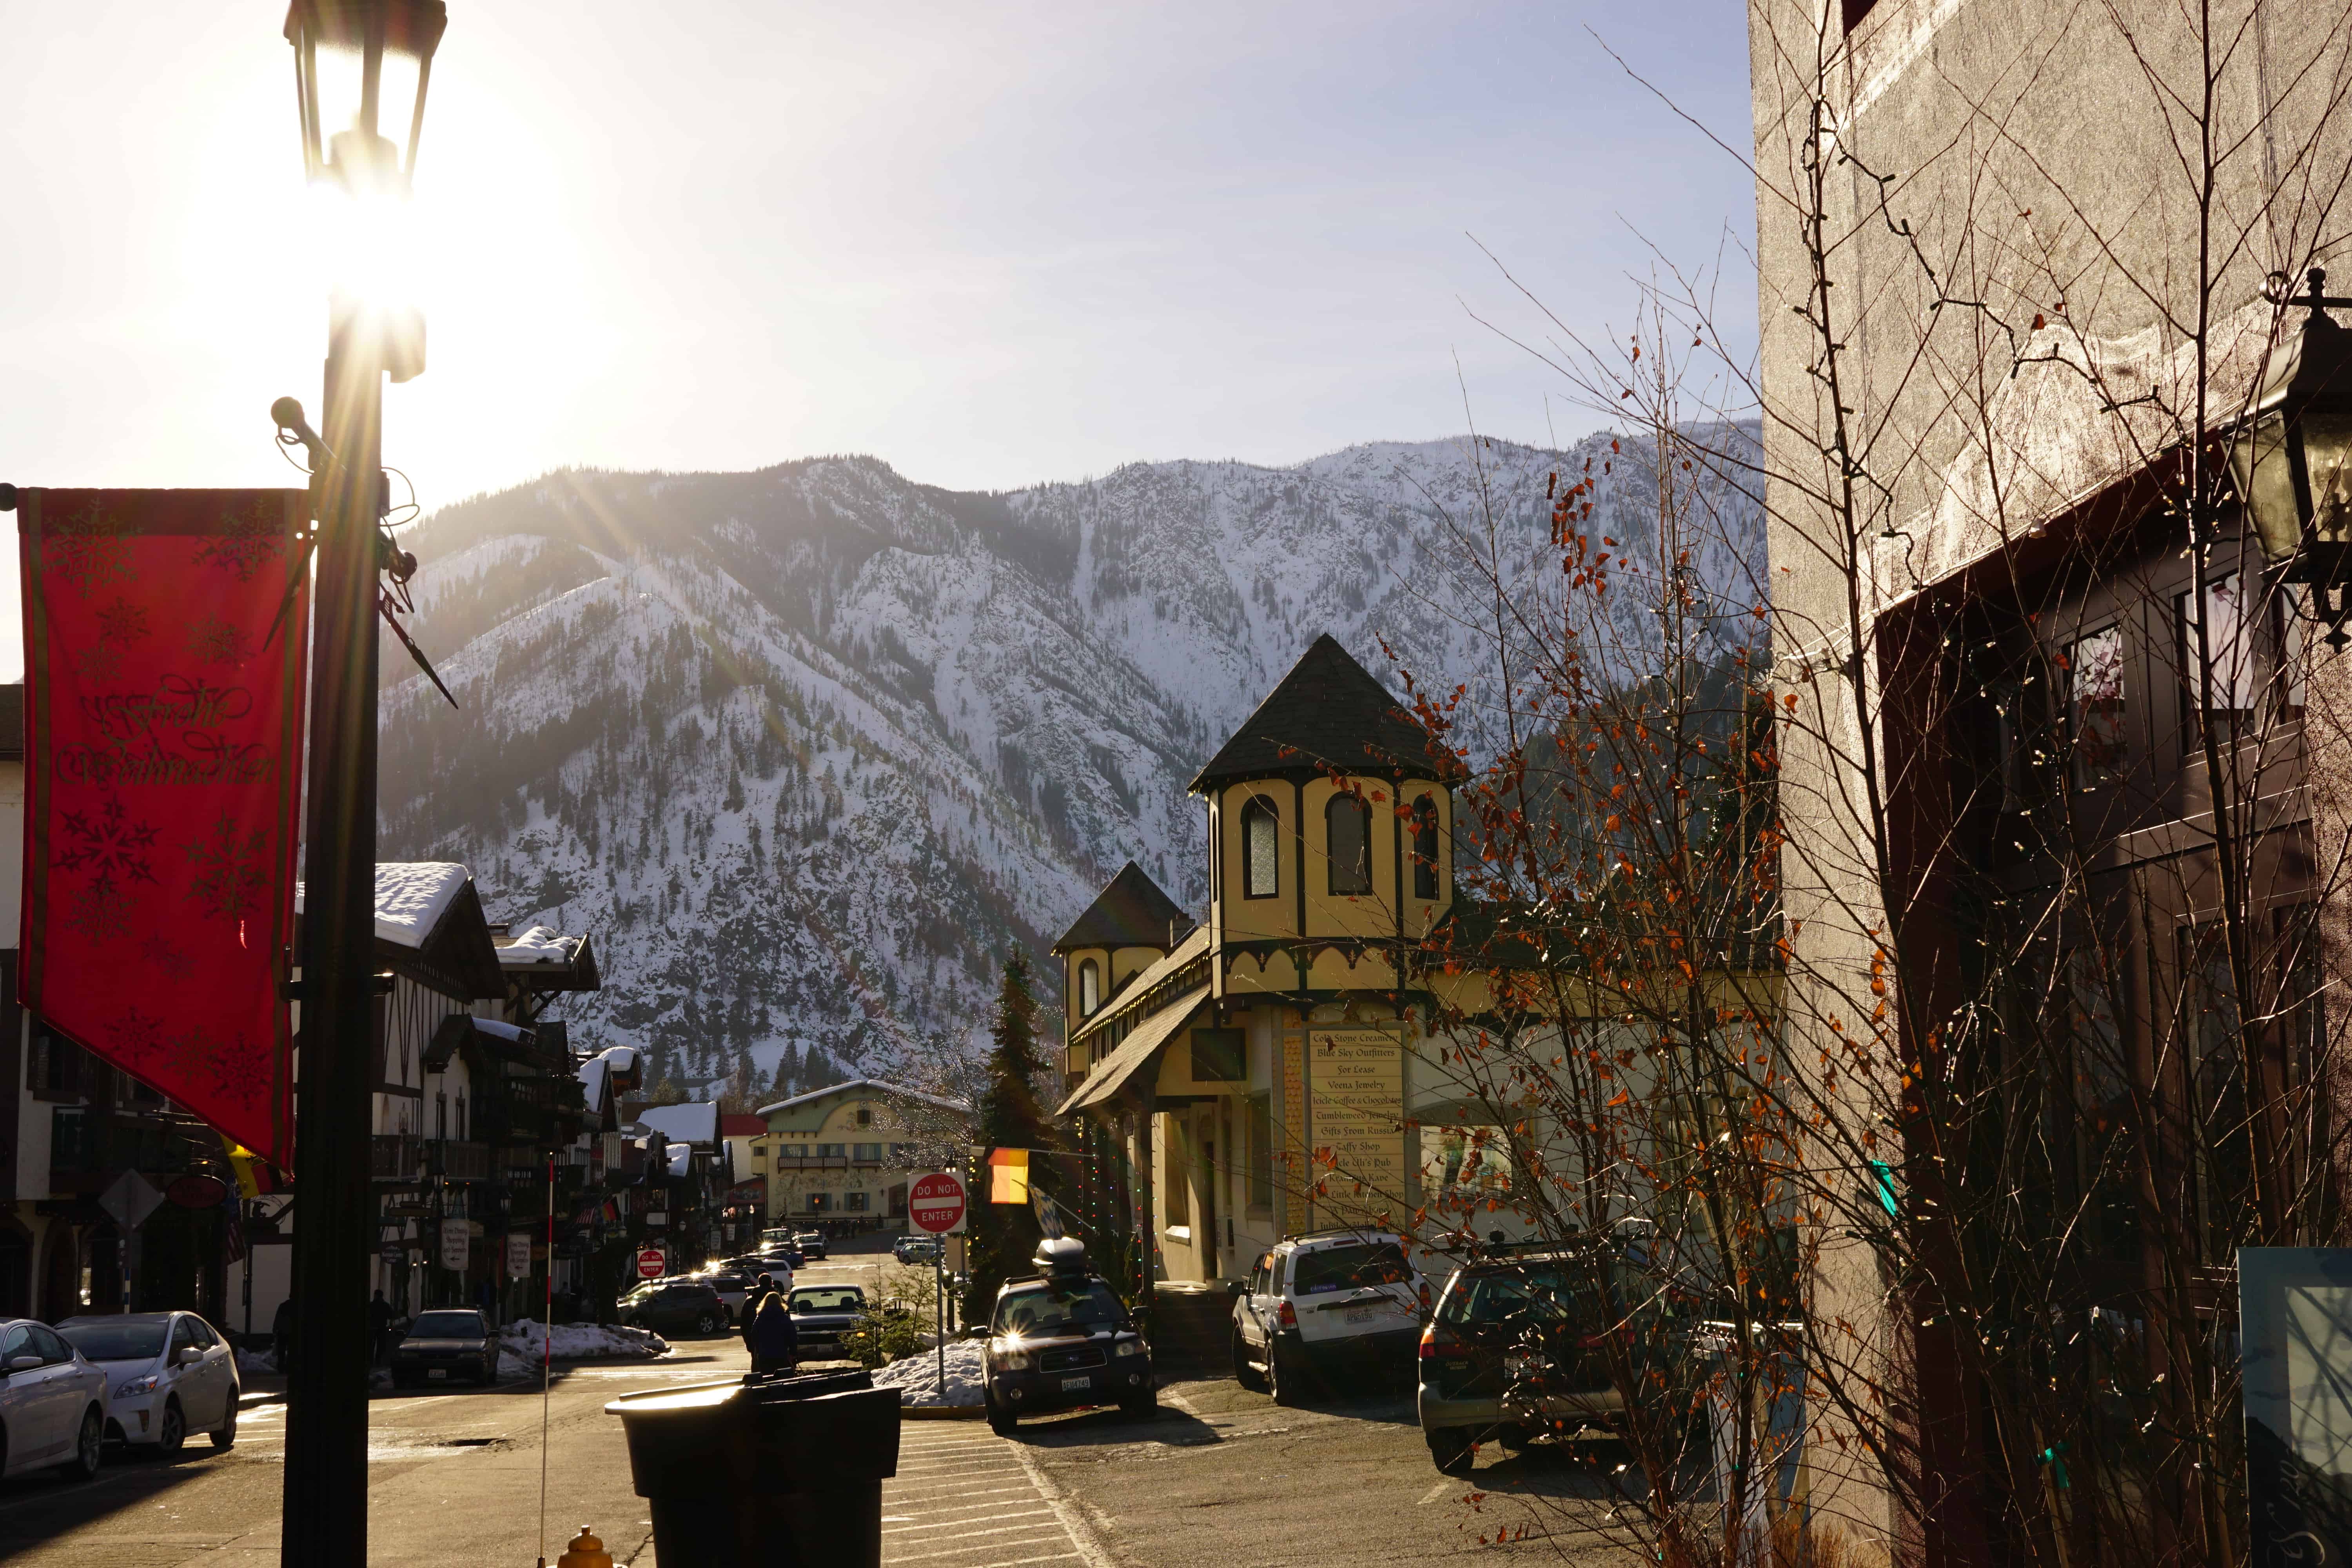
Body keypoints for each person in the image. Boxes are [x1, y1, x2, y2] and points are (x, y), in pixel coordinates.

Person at [748, 1290, 797, 1376]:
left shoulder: (760, 1318)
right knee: (783, 1380)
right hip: (781, 1355)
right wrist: (793, 1353)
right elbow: (793, 1337)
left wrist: (757, 1350)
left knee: (767, 1379)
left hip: (764, 1356)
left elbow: (754, 1336)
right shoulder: (785, 1319)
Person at [367, 1289, 396, 1367]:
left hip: (373, 1327)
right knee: (381, 1345)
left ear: (376, 1296)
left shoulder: (371, 1305)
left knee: (371, 1345)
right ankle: (378, 1361)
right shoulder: (386, 1305)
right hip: (382, 1327)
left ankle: (371, 1361)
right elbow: (391, 1316)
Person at [272, 1295, 296, 1372]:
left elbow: (278, 1318)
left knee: (281, 1352)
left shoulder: (283, 1306)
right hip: (291, 1332)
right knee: (291, 1352)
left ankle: (281, 1367)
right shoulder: (297, 1307)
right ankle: (290, 1367)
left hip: (282, 1332)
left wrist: (275, 1329)